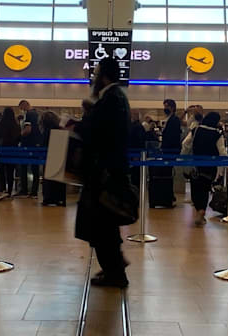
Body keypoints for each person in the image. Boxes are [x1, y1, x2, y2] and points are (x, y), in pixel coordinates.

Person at [74, 57, 131, 288]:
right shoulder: (116, 97)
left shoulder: (111, 99)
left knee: (100, 224)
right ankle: (114, 266)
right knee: (105, 224)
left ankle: (115, 272)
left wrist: (82, 121)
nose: (94, 77)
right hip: (109, 172)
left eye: (96, 72)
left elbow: (99, 133)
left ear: (104, 75)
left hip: (103, 174)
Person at [181, 112, 228, 226]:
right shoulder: (217, 134)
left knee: (195, 188)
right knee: (205, 189)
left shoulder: (196, 130)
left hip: (195, 165)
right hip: (210, 167)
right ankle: (201, 211)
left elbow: (186, 143)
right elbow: (222, 151)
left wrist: (183, 157)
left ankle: (199, 211)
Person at [155, 99, 181, 207]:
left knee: (168, 172)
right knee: (167, 173)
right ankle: (169, 195)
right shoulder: (169, 119)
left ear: (172, 107)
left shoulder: (174, 119)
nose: (165, 108)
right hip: (167, 149)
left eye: (167, 106)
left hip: (170, 150)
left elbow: (172, 136)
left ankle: (169, 195)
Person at [40, 111, 67, 206]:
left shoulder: (46, 131)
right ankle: (60, 199)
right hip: (60, 156)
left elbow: (43, 144)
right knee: (59, 179)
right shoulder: (61, 129)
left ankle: (48, 199)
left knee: (48, 179)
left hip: (49, 157)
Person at [0, 107, 21, 200]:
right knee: (10, 172)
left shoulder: (0, 124)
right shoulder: (16, 125)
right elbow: (19, 137)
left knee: (1, 171)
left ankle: (2, 190)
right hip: (13, 150)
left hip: (2, 149)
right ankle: (9, 191)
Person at [18, 109, 43, 198]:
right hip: (36, 145)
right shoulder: (38, 119)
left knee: (23, 167)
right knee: (35, 169)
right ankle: (34, 192)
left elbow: (27, 129)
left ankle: (24, 190)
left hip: (27, 145)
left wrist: (20, 135)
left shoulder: (28, 115)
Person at [128, 110, 146, 188]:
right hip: (136, 152)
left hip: (135, 152)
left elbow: (138, 141)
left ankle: (136, 187)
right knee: (136, 172)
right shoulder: (138, 126)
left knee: (135, 172)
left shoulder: (136, 126)